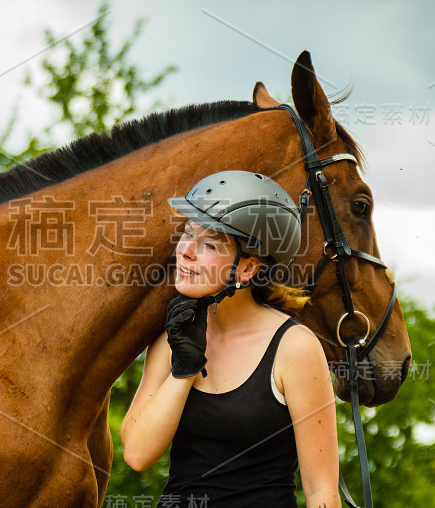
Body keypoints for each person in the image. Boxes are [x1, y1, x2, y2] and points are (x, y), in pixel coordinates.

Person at [120, 170, 341, 507]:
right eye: (187, 235)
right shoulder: (173, 339)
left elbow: (321, 491)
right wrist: (185, 370)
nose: (186, 251)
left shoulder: (294, 347)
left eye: (208, 244)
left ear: (247, 269)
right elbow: (137, 453)